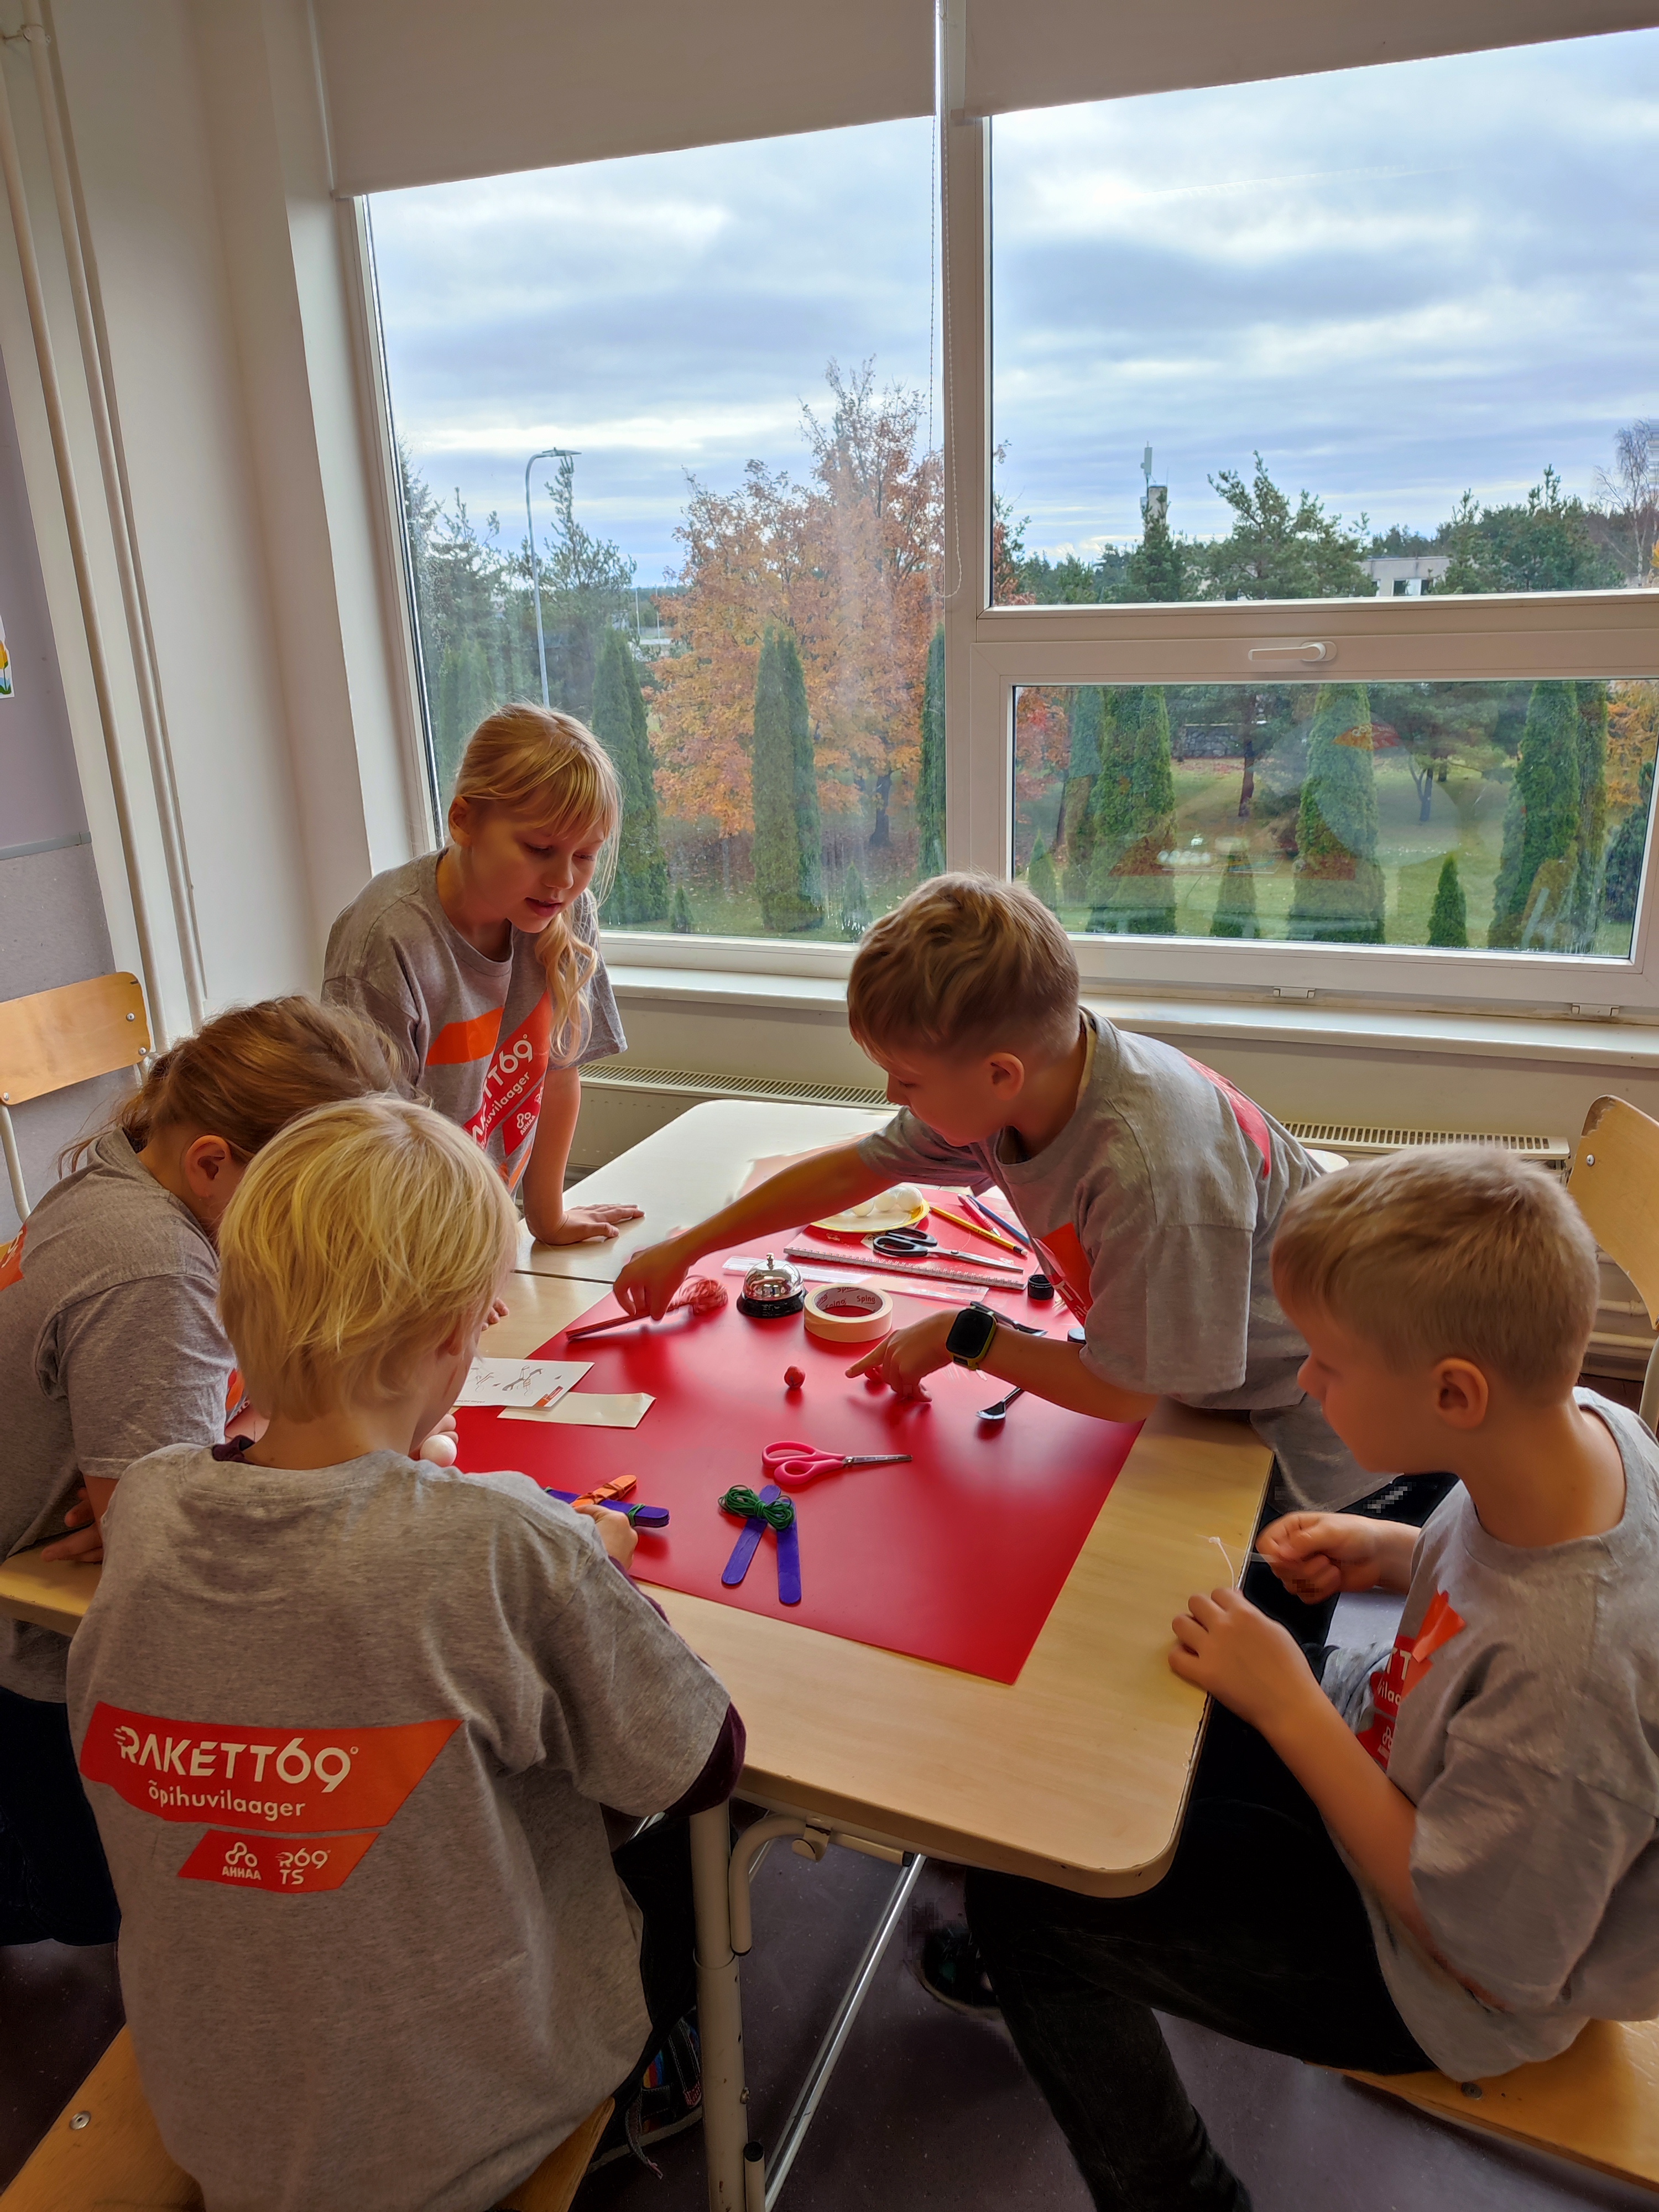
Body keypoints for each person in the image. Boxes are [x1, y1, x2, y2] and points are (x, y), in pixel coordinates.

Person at [69, 1097, 741, 2212]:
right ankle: (653, 2083)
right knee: (714, 1840)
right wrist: (594, 1564)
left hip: (218, 2105)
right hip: (451, 2137)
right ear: (451, 1339)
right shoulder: (503, 1542)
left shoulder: (147, 1503)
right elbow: (702, 1757)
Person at [966, 1145, 1659, 2211]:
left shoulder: (1568, 1687)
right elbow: (1493, 1571)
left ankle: (1181, 2195)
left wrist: (1290, 1704)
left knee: (1025, 1904)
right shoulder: (1590, 1432)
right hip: (1401, 1758)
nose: (1305, 1380)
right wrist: (1389, 1552)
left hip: (1431, 1974)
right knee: (1142, 1676)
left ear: (1454, 1393)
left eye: (1329, 1363)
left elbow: (1483, 1954)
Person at [615, 873, 1392, 1525]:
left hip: (1327, 1430)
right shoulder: (1033, 1081)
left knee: (1245, 1616)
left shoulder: (1146, 1172)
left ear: (999, 1074)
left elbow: (1125, 1392)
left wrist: (971, 1336)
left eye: (907, 1079)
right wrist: (690, 1246)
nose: (892, 1095)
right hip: (1206, 1388)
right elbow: (856, 1169)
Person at [0, 997, 400, 1950]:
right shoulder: (152, 1266)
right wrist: (185, 1487)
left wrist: (197, 1462)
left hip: (50, 1585)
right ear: (214, 1164)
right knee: (94, 1906)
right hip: (34, 1647)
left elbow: (169, 1475)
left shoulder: (127, 1172)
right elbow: (165, 1543)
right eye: (311, 1206)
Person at [323, 702, 642, 1246]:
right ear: (464, 820)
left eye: (586, 856)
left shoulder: (565, 911)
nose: (563, 880)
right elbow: (371, 1144)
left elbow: (558, 1074)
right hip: (395, 1244)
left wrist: (548, 1218)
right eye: (539, 849)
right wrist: (445, 1270)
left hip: (478, 1234)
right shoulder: (386, 938)